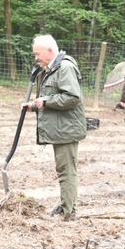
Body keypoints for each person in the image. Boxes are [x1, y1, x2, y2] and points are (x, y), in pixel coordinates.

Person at [24, 34, 87, 222]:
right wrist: (34, 105)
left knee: (66, 171)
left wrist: (46, 101)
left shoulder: (65, 68)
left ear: (50, 51)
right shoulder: (52, 69)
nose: (35, 57)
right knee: (63, 170)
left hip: (66, 130)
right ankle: (66, 206)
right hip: (61, 128)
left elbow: (72, 97)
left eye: (38, 54)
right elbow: (51, 97)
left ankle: (68, 212)